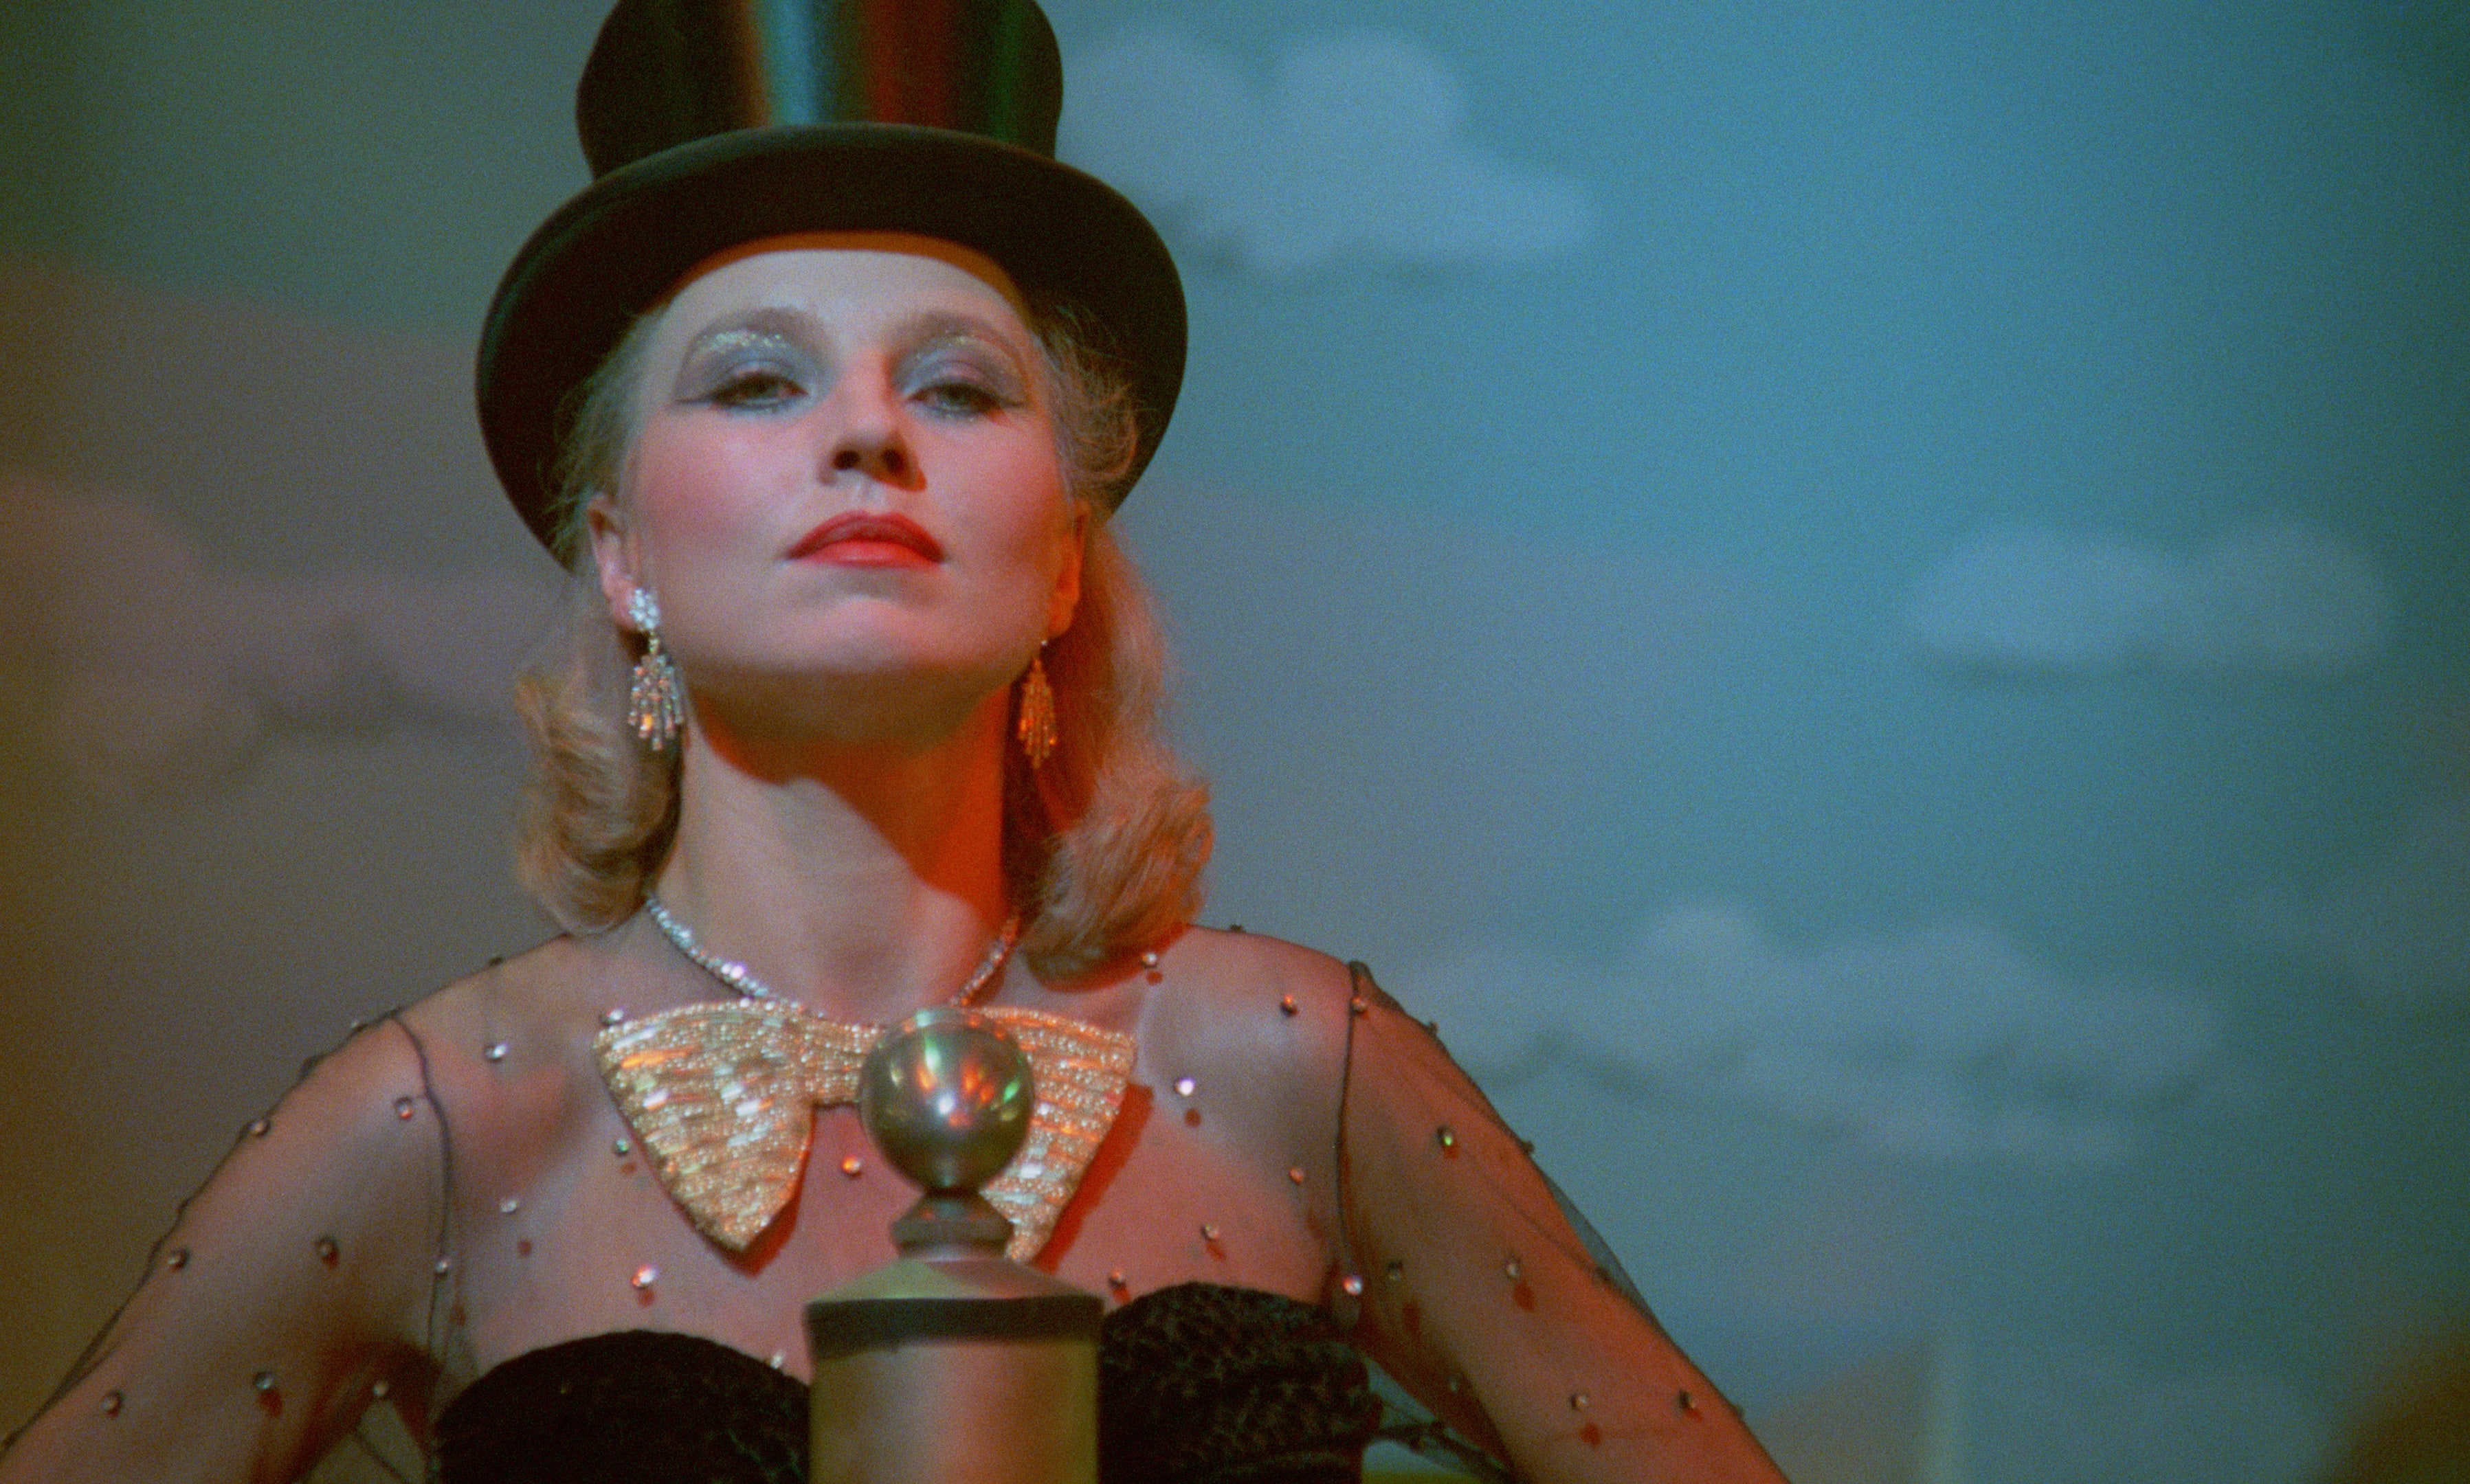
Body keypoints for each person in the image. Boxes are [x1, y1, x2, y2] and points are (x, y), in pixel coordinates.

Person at [0, 3, 1785, 1481]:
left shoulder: (1295, 1067)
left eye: (956, 385)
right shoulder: (449, 1122)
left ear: (1064, 556)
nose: (867, 435)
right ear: (619, 553)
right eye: (756, 380)